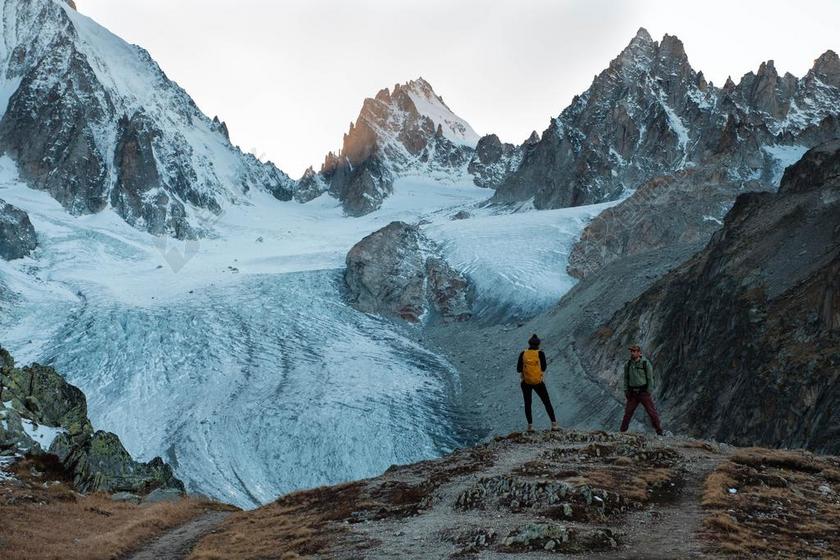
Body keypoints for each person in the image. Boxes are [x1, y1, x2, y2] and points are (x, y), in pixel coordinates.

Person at [517, 334, 558, 432]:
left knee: (528, 403)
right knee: (547, 402)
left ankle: (530, 427)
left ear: (529, 344)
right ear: (538, 344)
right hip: (538, 382)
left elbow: (518, 369)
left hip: (526, 382)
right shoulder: (540, 353)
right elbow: (543, 368)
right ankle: (554, 425)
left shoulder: (523, 353)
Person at [620, 344, 664, 435]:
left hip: (643, 392)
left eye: (634, 351)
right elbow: (626, 379)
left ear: (639, 353)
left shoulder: (645, 363)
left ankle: (659, 431)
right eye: (631, 351)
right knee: (628, 413)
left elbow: (650, 378)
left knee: (651, 412)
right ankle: (622, 432)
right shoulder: (628, 364)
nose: (632, 353)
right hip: (632, 393)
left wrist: (648, 391)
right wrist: (626, 390)